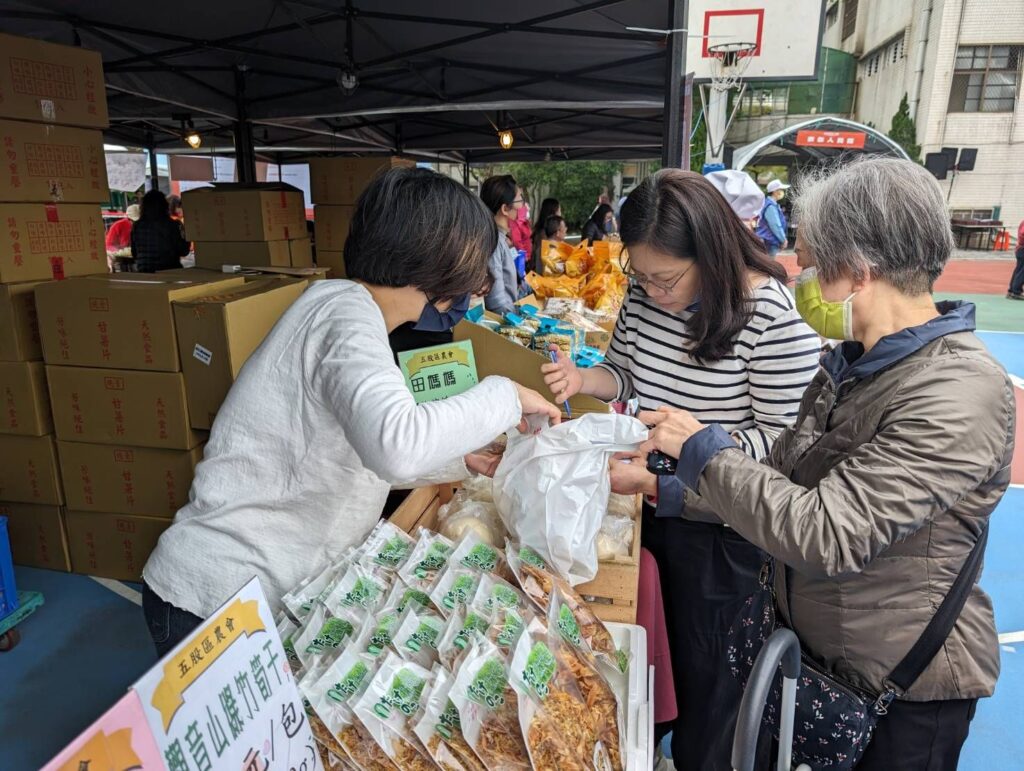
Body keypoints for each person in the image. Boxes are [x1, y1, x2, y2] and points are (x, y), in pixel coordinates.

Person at [640, 157, 1012, 770]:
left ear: (860, 271)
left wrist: (702, 447)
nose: (801, 282)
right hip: (824, 658)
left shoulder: (958, 390)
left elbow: (827, 533)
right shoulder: (854, 364)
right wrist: (671, 488)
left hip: (903, 690)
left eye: (813, 266)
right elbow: (779, 480)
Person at [142, 168, 560, 655]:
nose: (472, 287)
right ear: (430, 258)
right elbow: (395, 446)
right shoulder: (344, 313)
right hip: (215, 599)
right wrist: (506, 395)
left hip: (256, 594)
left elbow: (360, 442)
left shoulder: (350, 313)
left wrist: (462, 460)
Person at [541, 169, 821, 770]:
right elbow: (624, 374)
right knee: (653, 666)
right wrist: (581, 379)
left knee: (712, 681)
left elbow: (782, 450)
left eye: (666, 279)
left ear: (713, 252)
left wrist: (687, 453)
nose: (653, 291)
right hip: (651, 508)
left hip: (723, 535)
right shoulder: (644, 297)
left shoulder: (768, 317)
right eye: (640, 277)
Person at [480, 174, 523, 315]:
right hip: (505, 322)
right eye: (519, 201)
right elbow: (497, 303)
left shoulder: (500, 238)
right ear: (505, 209)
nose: (521, 207)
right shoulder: (494, 241)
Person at [130, 190, 190, 273]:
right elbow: (184, 251)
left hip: (144, 273)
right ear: (165, 206)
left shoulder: (137, 226)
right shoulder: (173, 225)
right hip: (169, 273)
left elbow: (134, 253)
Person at [755, 179, 789, 256]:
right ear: (774, 191)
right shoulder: (771, 206)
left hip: (768, 240)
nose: (782, 192)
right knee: (768, 265)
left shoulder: (770, 204)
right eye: (780, 190)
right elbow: (775, 225)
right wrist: (783, 240)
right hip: (769, 241)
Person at [530, 197, 561, 269]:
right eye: (559, 210)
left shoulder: (540, 230)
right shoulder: (543, 234)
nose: (560, 214)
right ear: (554, 212)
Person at [1008, 217, 1024, 299]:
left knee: (1018, 270)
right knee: (1021, 272)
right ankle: (1016, 291)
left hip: (1020, 249)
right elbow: (1022, 234)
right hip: (1022, 249)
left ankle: (1011, 291)